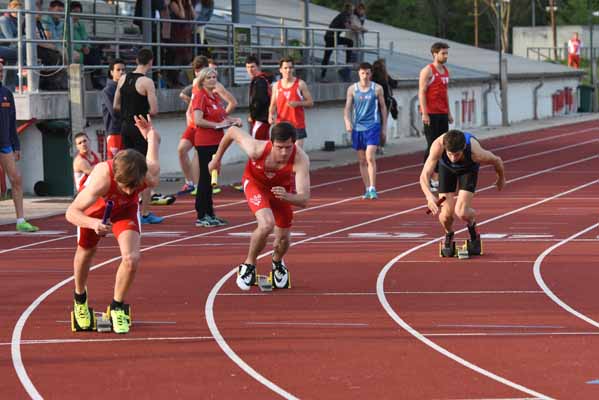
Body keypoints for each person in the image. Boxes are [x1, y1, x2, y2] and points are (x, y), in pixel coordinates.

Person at [66, 115, 161, 334]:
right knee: (87, 251)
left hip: (125, 211)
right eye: (125, 187)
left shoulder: (149, 175)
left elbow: (154, 144)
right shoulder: (102, 177)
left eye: (134, 187)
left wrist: (150, 136)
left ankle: (117, 306)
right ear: (116, 178)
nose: (129, 191)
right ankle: (80, 299)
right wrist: (92, 223)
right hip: (95, 210)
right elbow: (71, 212)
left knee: (131, 258)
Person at [208, 122, 310, 291]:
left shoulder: (301, 159)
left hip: (281, 192)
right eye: (279, 147)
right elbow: (232, 131)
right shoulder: (256, 149)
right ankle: (249, 264)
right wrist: (217, 159)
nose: (284, 152)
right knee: (266, 224)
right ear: (271, 143)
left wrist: (287, 196)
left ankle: (277, 263)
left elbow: (304, 199)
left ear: (294, 144)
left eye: (288, 147)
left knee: (284, 238)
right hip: (256, 185)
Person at [420, 129, 505, 256]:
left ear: (464, 147)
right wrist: (429, 197)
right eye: (450, 154)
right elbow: (424, 175)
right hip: (446, 169)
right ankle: (449, 234)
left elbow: (497, 160)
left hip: (468, 169)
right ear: (445, 148)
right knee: (446, 215)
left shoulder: (476, 152)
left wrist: (501, 178)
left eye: (457, 154)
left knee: (462, 212)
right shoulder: (438, 145)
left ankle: (472, 227)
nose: (453, 158)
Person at [113, 48, 163, 224]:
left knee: (128, 167)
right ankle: (145, 212)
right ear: (151, 62)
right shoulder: (147, 82)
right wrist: (141, 112)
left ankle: (127, 209)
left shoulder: (123, 78)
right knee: (146, 168)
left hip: (125, 126)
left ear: (135, 61)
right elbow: (155, 110)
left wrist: (129, 112)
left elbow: (116, 104)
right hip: (141, 126)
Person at [178, 56, 237, 195]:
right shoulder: (196, 84)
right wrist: (189, 112)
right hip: (193, 125)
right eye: (195, 70)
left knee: (199, 155)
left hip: (206, 127)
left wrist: (220, 120)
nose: (197, 73)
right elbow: (187, 97)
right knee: (181, 150)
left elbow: (232, 102)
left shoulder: (215, 86)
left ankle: (199, 185)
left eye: (200, 70)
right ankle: (190, 182)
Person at [191, 67, 242, 227]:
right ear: (202, 80)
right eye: (209, 78)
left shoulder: (214, 97)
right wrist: (216, 126)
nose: (213, 80)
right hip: (205, 142)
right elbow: (198, 120)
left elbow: (221, 116)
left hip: (216, 143)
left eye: (214, 77)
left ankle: (210, 213)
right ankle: (201, 214)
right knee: (205, 179)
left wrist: (233, 120)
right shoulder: (200, 96)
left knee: (212, 179)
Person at [0, 63, 38, 232]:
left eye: (1, 71)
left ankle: (21, 220)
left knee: (16, 179)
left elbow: (12, 121)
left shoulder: (7, 93)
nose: (0, 73)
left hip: (5, 144)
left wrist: (16, 146)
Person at [343, 62, 387, 200]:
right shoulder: (352, 89)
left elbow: (383, 108)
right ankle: (367, 188)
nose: (365, 76)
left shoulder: (377, 88)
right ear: (359, 73)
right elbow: (347, 108)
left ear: (371, 74)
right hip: (358, 128)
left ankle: (373, 187)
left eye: (368, 73)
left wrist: (384, 127)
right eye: (363, 73)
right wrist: (348, 121)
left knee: (370, 157)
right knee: (362, 160)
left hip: (373, 126)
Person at [418, 42, 453, 192]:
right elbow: (421, 92)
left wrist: (449, 112)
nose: (446, 56)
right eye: (443, 53)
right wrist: (425, 113)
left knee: (443, 146)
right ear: (435, 54)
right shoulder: (427, 71)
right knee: (432, 146)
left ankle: (437, 176)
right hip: (431, 114)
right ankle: (428, 177)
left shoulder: (445, 71)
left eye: (446, 53)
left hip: (442, 113)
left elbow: (445, 93)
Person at [269, 57, 313, 149]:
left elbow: (310, 102)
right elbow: (273, 105)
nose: (288, 70)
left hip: (297, 125)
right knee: (281, 154)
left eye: (290, 67)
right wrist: (271, 115)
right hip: (281, 125)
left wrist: (298, 103)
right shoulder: (276, 86)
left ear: (293, 69)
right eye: (285, 68)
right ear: (280, 70)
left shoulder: (300, 84)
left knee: (296, 153)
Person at [321, 3, 353, 81]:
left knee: (349, 42)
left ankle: (347, 63)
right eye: (351, 10)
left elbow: (349, 24)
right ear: (348, 9)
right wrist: (356, 28)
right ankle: (323, 75)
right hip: (330, 37)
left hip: (334, 37)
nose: (352, 11)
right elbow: (348, 26)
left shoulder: (345, 16)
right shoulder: (343, 15)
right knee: (327, 56)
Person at [372, 58, 398, 155]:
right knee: (382, 124)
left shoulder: (371, 77)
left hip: (374, 103)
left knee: (375, 124)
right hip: (384, 103)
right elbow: (394, 84)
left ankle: (375, 145)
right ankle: (380, 146)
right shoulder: (385, 77)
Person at [101, 59, 125, 160]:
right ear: (111, 72)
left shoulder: (126, 87)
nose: (121, 72)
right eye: (118, 70)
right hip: (114, 132)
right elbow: (115, 111)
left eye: (123, 70)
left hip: (125, 131)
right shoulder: (107, 91)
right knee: (115, 165)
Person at [246, 54, 272, 140]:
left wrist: (252, 116)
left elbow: (259, 101)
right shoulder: (262, 79)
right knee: (264, 146)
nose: (250, 70)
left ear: (258, 67)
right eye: (248, 67)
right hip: (263, 119)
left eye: (252, 67)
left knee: (256, 147)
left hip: (260, 119)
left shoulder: (259, 81)